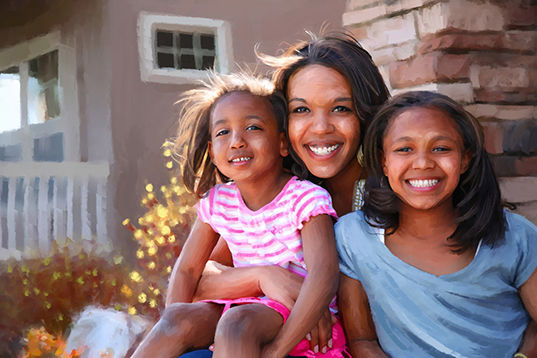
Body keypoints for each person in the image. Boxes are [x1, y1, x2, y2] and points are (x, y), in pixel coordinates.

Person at [178, 31, 390, 357]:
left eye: (340, 109)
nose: (320, 128)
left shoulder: (395, 193)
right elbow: (201, 277)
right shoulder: (281, 193)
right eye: (301, 110)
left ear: (366, 112)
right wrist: (267, 277)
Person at [131, 72, 348, 358]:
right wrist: (180, 324)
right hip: (242, 305)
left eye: (253, 128)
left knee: (236, 324)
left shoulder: (304, 199)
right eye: (223, 132)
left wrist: (277, 350)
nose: (236, 141)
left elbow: (323, 277)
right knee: (174, 321)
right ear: (211, 150)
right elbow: (188, 270)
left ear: (283, 143)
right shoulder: (219, 202)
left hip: (303, 320)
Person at [335, 90, 537, 357]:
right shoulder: (353, 238)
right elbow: (363, 341)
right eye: (404, 149)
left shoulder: (516, 236)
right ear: (384, 161)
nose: (422, 163)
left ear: (465, 159)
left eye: (440, 148)